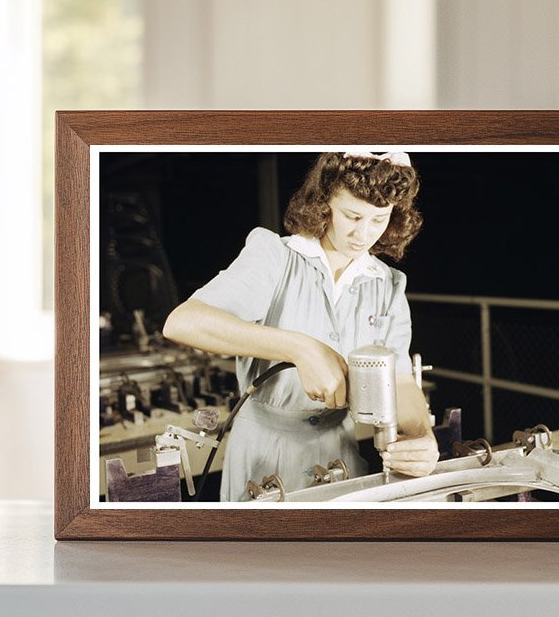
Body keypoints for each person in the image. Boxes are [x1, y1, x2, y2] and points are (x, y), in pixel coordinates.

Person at [162, 149, 439, 502]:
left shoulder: (386, 284)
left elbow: (399, 379)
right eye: (352, 216)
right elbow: (182, 322)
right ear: (324, 203)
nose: (363, 234)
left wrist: (421, 437)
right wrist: (300, 347)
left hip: (339, 446)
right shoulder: (276, 257)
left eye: (378, 219)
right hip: (265, 449)